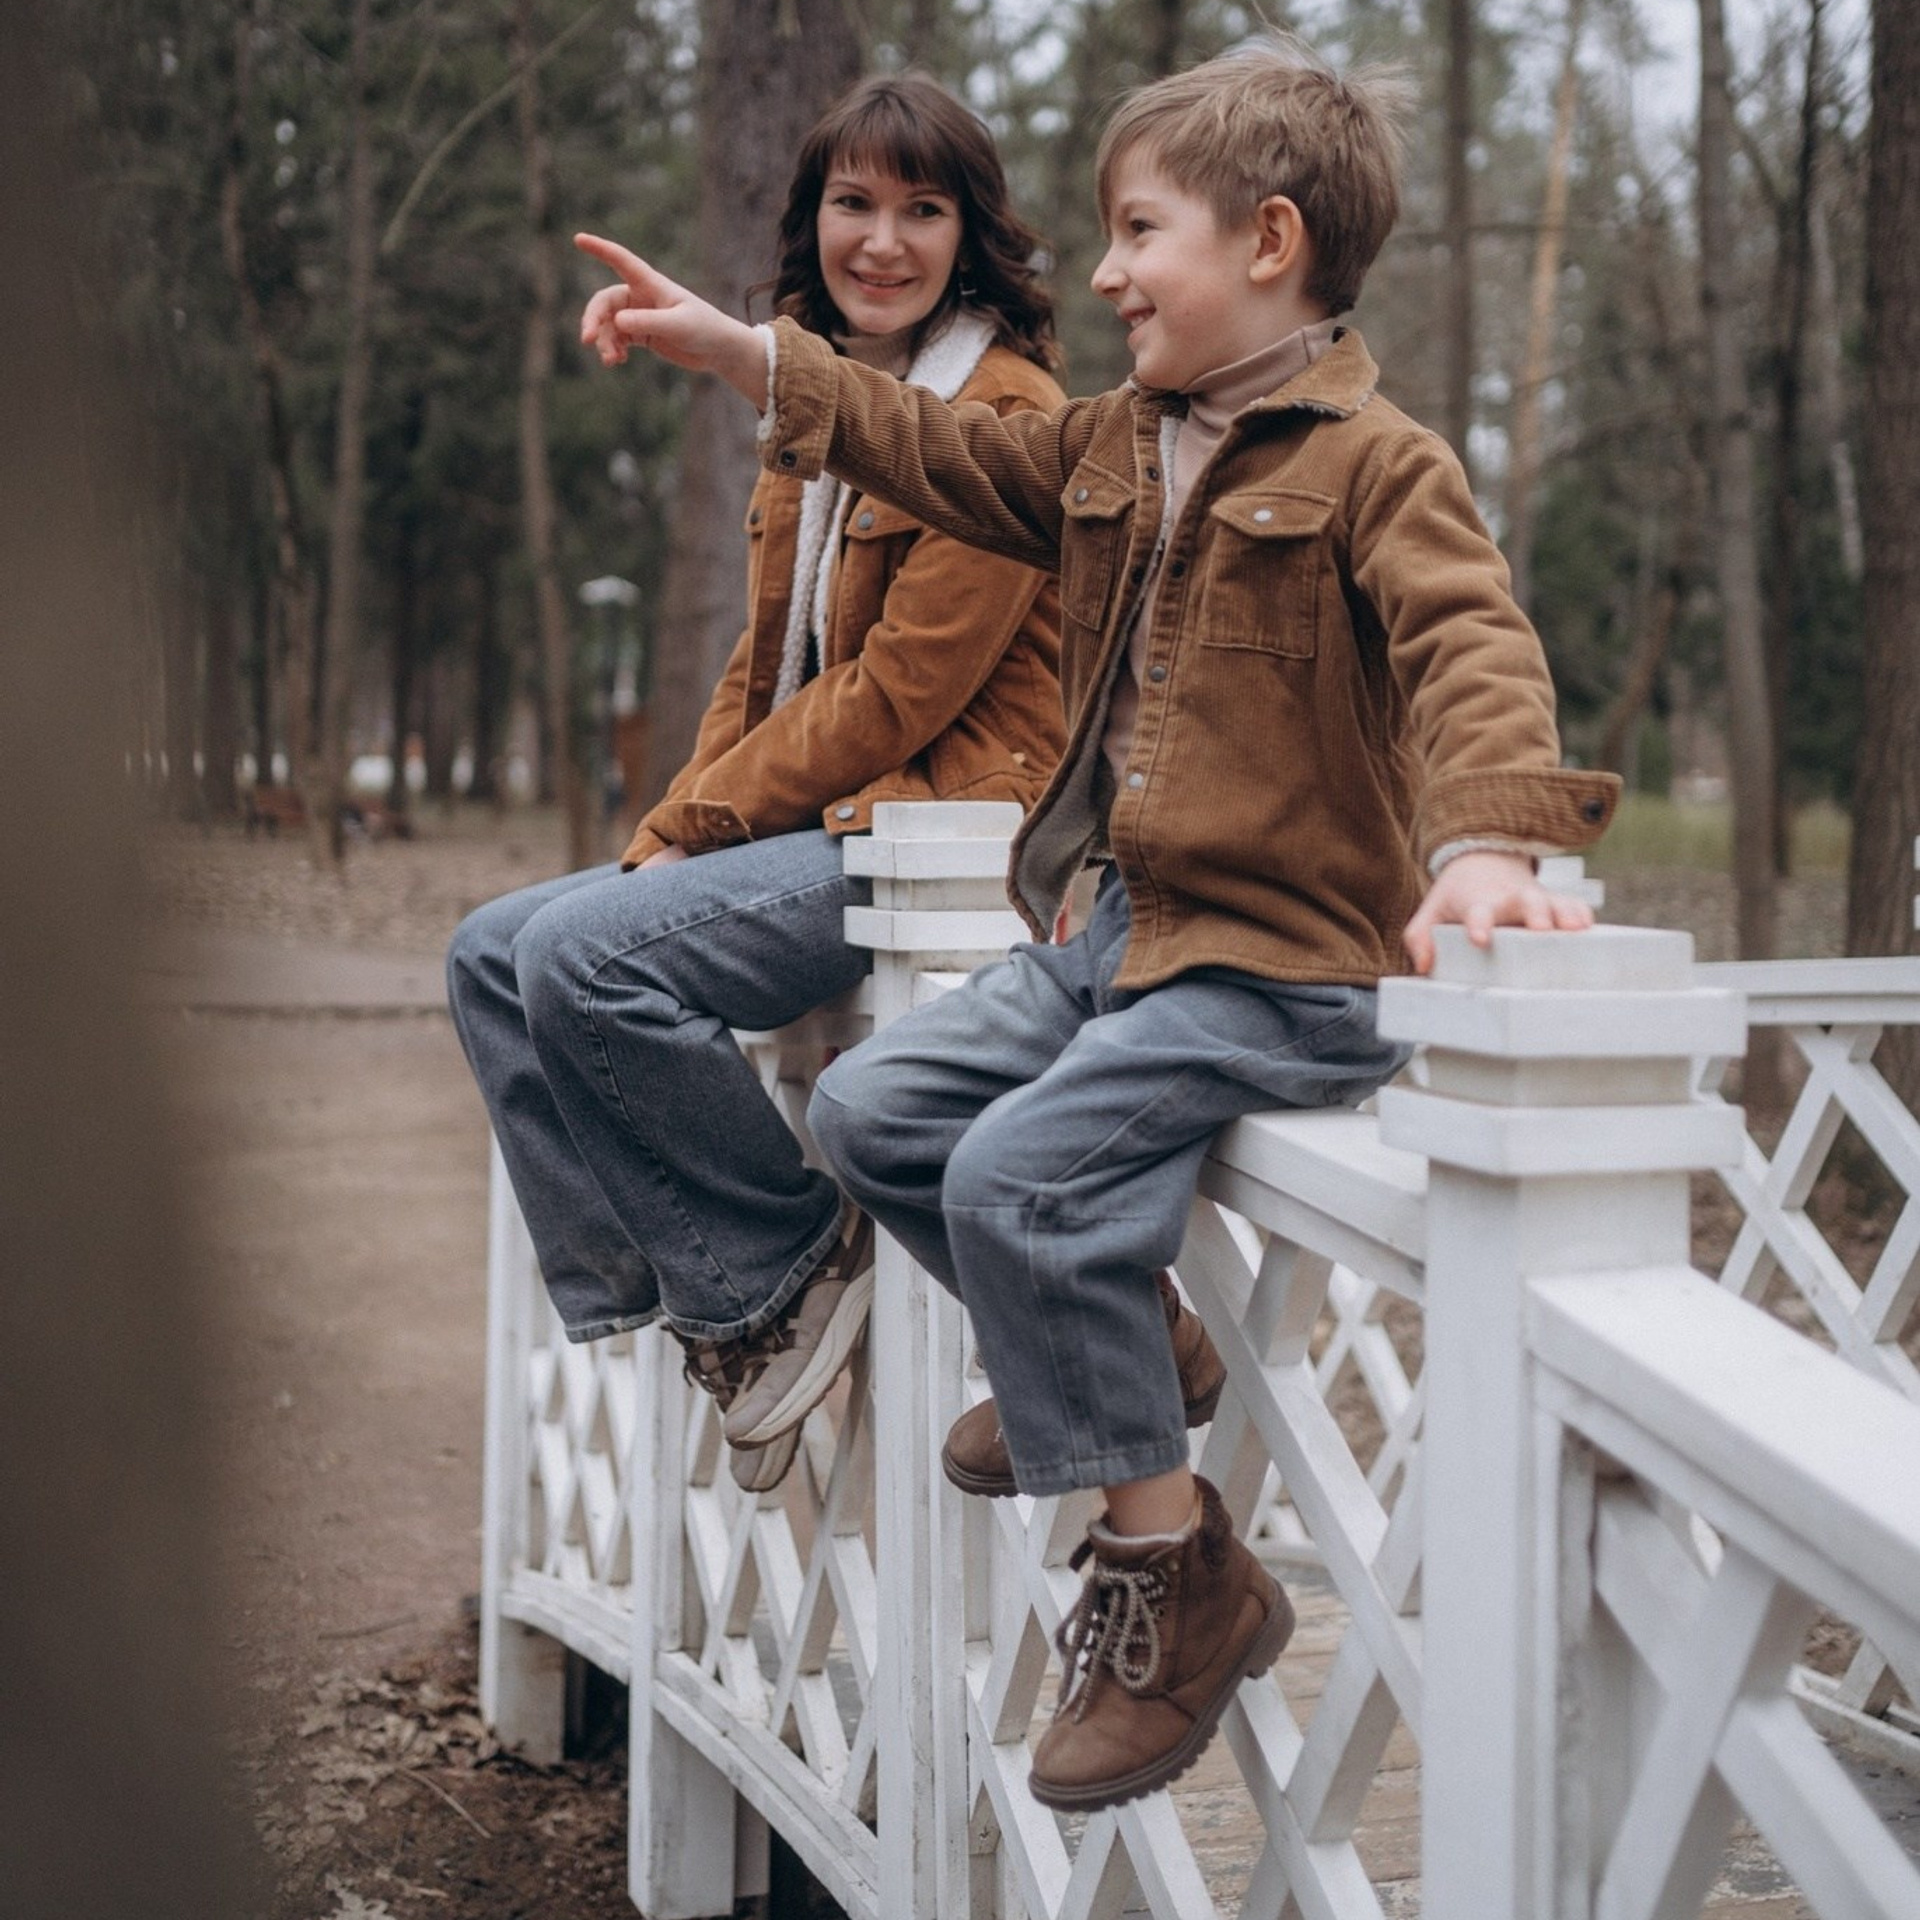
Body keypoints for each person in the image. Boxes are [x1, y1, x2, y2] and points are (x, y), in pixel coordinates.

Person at [574, 37, 1620, 1808]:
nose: (1109, 270)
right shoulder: (1118, 445)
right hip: (1118, 930)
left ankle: (1173, 1578)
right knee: (874, 1114)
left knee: (1013, 1185)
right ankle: (1121, 1342)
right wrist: (745, 352)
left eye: (1142, 234)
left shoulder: (1378, 465)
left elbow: (1471, 651)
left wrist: (1492, 841)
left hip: (1276, 959)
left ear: (1268, 241)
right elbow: (927, 444)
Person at [451, 74, 1066, 1495]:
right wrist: (670, 825)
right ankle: (668, 1298)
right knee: (492, 955)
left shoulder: (1007, 412)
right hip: (831, 819)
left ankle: (779, 1273)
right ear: (815, 219)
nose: (886, 241)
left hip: (939, 837)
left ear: (972, 236)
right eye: (856, 203)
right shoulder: (819, 400)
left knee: (584, 962)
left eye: (926, 209)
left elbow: (898, 692)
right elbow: (766, 662)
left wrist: (699, 825)